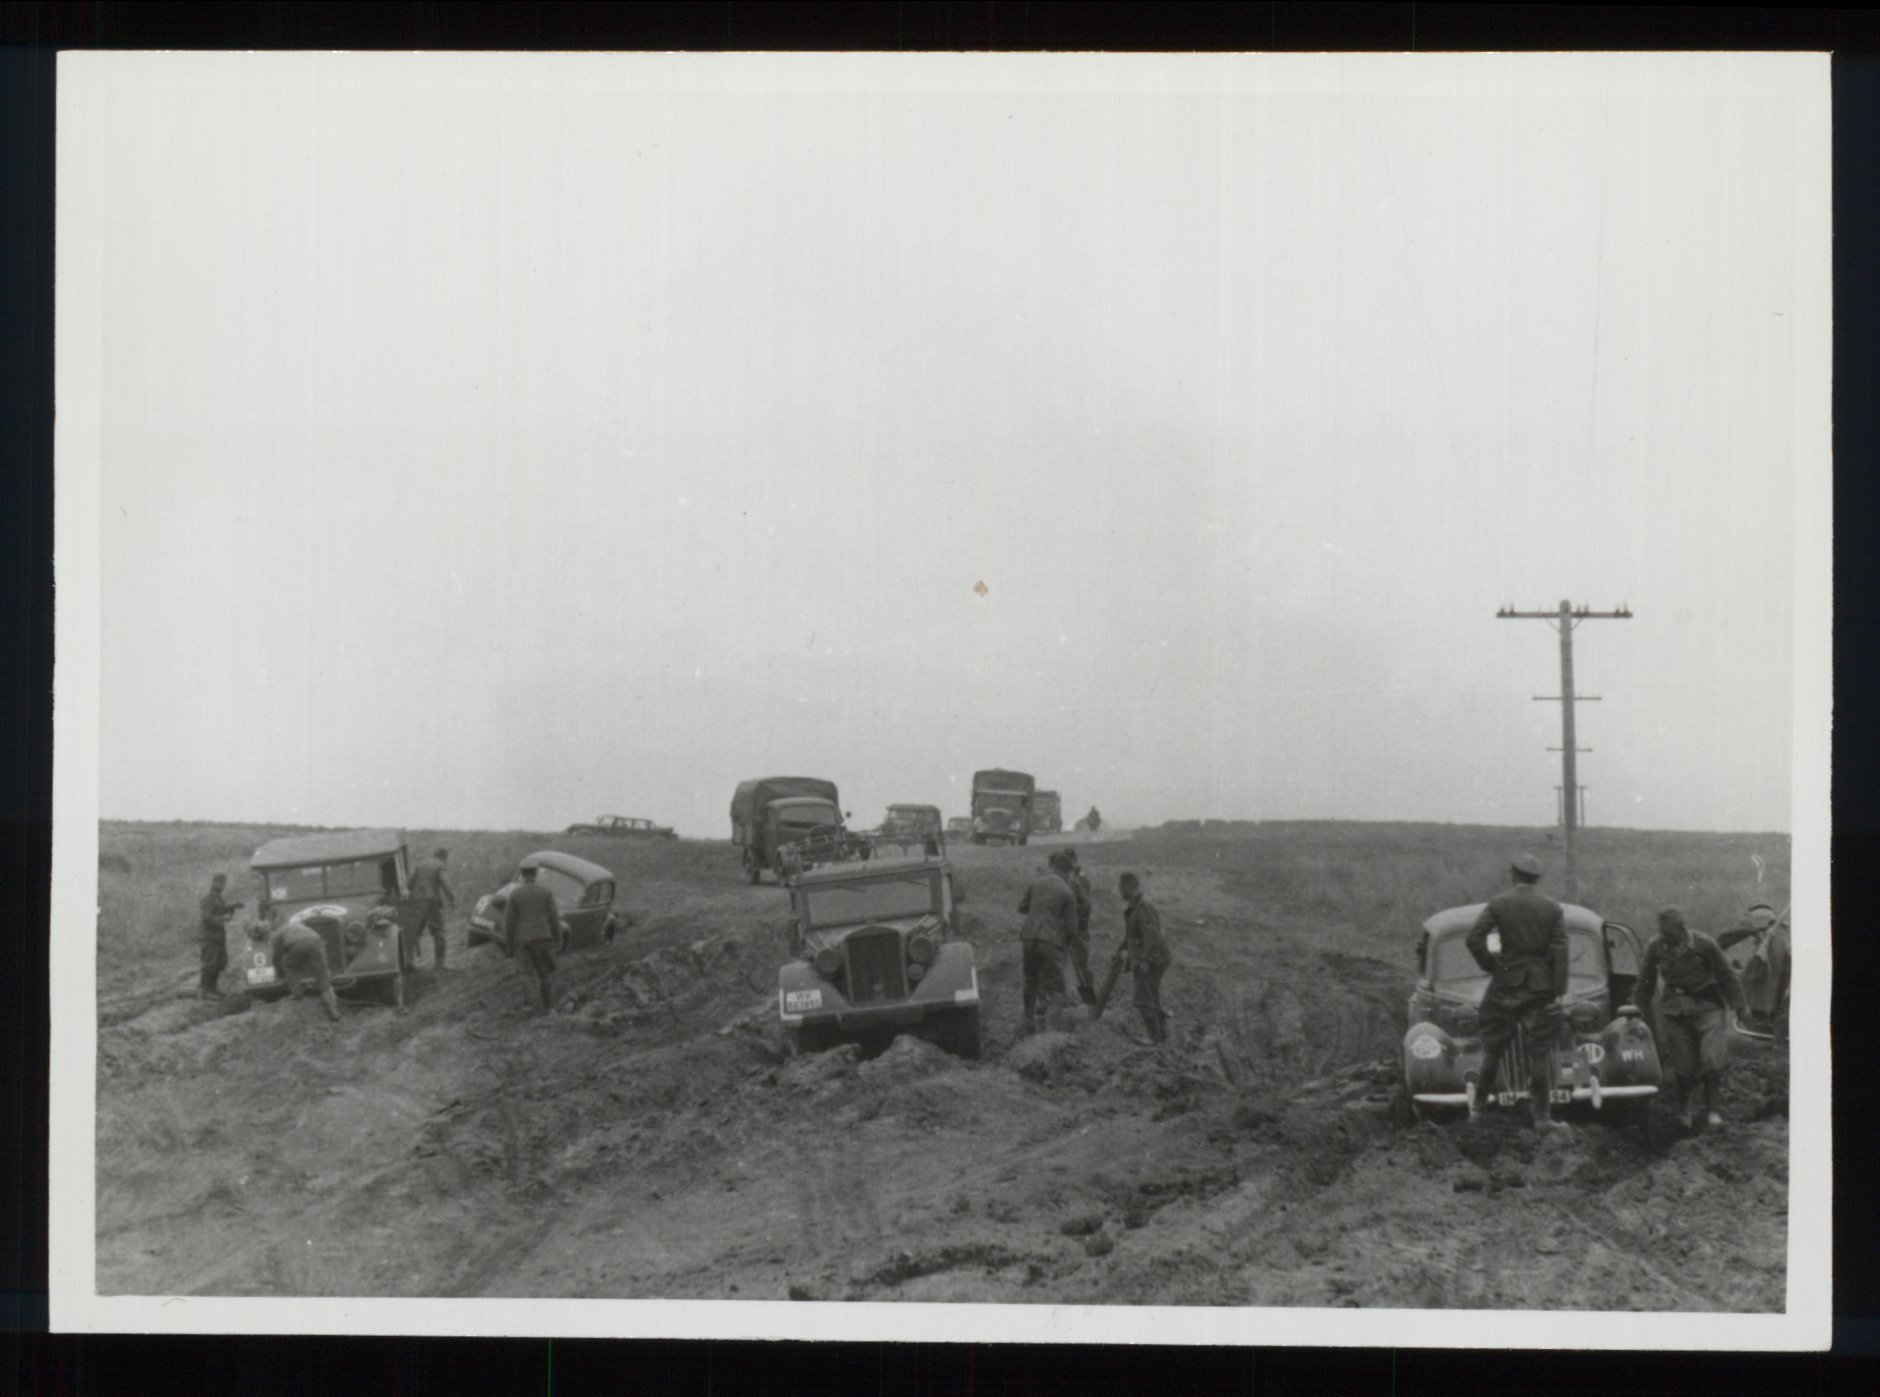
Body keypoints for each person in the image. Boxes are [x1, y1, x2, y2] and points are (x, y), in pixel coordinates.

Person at [1464, 854, 1569, 1130]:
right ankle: (1542, 1117)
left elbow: (1473, 939)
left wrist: (1493, 966)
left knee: (1493, 1048)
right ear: (1537, 879)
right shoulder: (1553, 908)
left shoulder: (1499, 904)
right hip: (1540, 985)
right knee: (1540, 1051)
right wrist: (1559, 990)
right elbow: (1560, 950)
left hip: (1505, 983)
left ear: (1513, 875)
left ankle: (1477, 1111)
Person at [1637, 906, 1748, 1131]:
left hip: (1707, 1007)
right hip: (1675, 1011)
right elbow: (1645, 980)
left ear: (1680, 928)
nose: (1664, 936)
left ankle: (1713, 1112)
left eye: (1668, 932)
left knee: (1711, 1061)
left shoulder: (1704, 944)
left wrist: (1740, 1006)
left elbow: (1726, 975)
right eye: (1661, 931)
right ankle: (1683, 1110)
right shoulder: (1655, 947)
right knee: (1684, 1068)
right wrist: (1637, 1008)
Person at [1015, 852, 1079, 1033]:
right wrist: (1065, 945)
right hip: (1050, 940)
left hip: (1028, 937)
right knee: (1057, 987)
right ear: (1067, 872)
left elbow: (1022, 907)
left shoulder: (1037, 882)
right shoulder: (1067, 892)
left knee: (1031, 980)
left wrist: (1039, 909)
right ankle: (1051, 1032)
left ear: (1053, 867)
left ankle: (1028, 1021)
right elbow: (1072, 930)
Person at [1717, 900, 1790, 1041]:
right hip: (1786, 958)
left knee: (1745, 981)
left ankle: (1757, 1020)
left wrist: (1710, 949)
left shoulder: (1754, 917)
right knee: (1778, 991)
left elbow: (1727, 938)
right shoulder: (1779, 923)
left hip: (1772, 959)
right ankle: (1770, 1023)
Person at [503, 856, 564, 1014]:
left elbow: (509, 922)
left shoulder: (515, 894)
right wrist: (558, 940)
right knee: (545, 973)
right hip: (543, 937)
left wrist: (508, 945)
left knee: (526, 973)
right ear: (535, 873)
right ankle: (549, 1008)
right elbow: (554, 919)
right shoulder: (546, 893)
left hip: (522, 940)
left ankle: (528, 1006)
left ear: (522, 874)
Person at [1118, 871, 1172, 1044]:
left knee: (1144, 998)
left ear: (1128, 887)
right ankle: (1163, 1037)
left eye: (1121, 887)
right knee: (1150, 996)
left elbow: (1152, 935)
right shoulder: (1135, 907)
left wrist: (1146, 960)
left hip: (1153, 959)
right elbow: (1132, 935)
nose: (1119, 891)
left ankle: (1154, 1038)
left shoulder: (1143, 907)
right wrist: (1120, 950)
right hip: (1149, 958)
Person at [269, 916, 342, 1022]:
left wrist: (280, 974)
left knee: (287, 964)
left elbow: (277, 957)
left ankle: (297, 993)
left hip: (298, 944)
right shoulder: (298, 925)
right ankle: (333, 1010)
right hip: (315, 940)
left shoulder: (277, 934)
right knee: (322, 978)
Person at [407, 848, 457, 971]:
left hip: (416, 902)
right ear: (444, 857)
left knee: (415, 931)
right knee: (438, 931)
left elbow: (409, 884)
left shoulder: (421, 864)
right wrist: (452, 899)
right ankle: (440, 963)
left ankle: (410, 962)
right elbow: (445, 883)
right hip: (431, 902)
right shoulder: (440, 866)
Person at [197, 873, 243, 999]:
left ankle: (213, 988)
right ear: (213, 883)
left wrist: (232, 907)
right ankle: (205, 991)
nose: (221, 885)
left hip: (218, 935)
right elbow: (207, 919)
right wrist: (222, 919)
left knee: (219, 962)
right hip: (209, 936)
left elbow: (222, 909)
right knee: (209, 963)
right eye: (219, 882)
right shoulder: (207, 899)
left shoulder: (218, 899)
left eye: (223, 883)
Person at [1061, 848, 1096, 1006]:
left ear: (1075, 861)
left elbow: (1085, 905)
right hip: (1070, 927)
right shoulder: (1071, 878)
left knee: (1081, 964)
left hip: (1078, 929)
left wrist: (1077, 925)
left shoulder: (1080, 880)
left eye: (1071, 861)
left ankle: (1090, 1000)